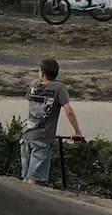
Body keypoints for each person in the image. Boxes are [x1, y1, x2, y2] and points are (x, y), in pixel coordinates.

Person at [22, 57, 83, 185]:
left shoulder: (33, 85)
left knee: (26, 176)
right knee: (34, 179)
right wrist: (77, 131)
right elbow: (69, 110)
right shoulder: (59, 88)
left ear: (43, 73)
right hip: (43, 138)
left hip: (27, 135)